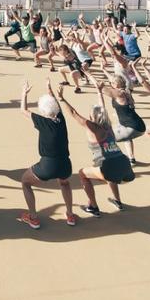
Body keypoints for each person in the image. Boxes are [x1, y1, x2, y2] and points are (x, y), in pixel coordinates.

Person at [55, 80, 134, 216]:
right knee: (110, 174)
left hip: (110, 167)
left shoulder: (93, 128)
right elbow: (102, 109)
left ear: (92, 117)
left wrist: (62, 99)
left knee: (82, 174)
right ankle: (118, 201)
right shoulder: (108, 126)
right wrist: (99, 92)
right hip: (125, 165)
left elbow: (74, 113)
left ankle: (93, 206)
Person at [16, 80, 77, 230]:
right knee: (64, 183)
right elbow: (55, 104)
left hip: (47, 165)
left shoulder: (42, 121)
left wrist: (24, 93)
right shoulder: (61, 120)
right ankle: (70, 215)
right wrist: (49, 89)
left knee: (25, 182)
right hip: (65, 164)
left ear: (43, 111)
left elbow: (23, 110)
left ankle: (33, 218)